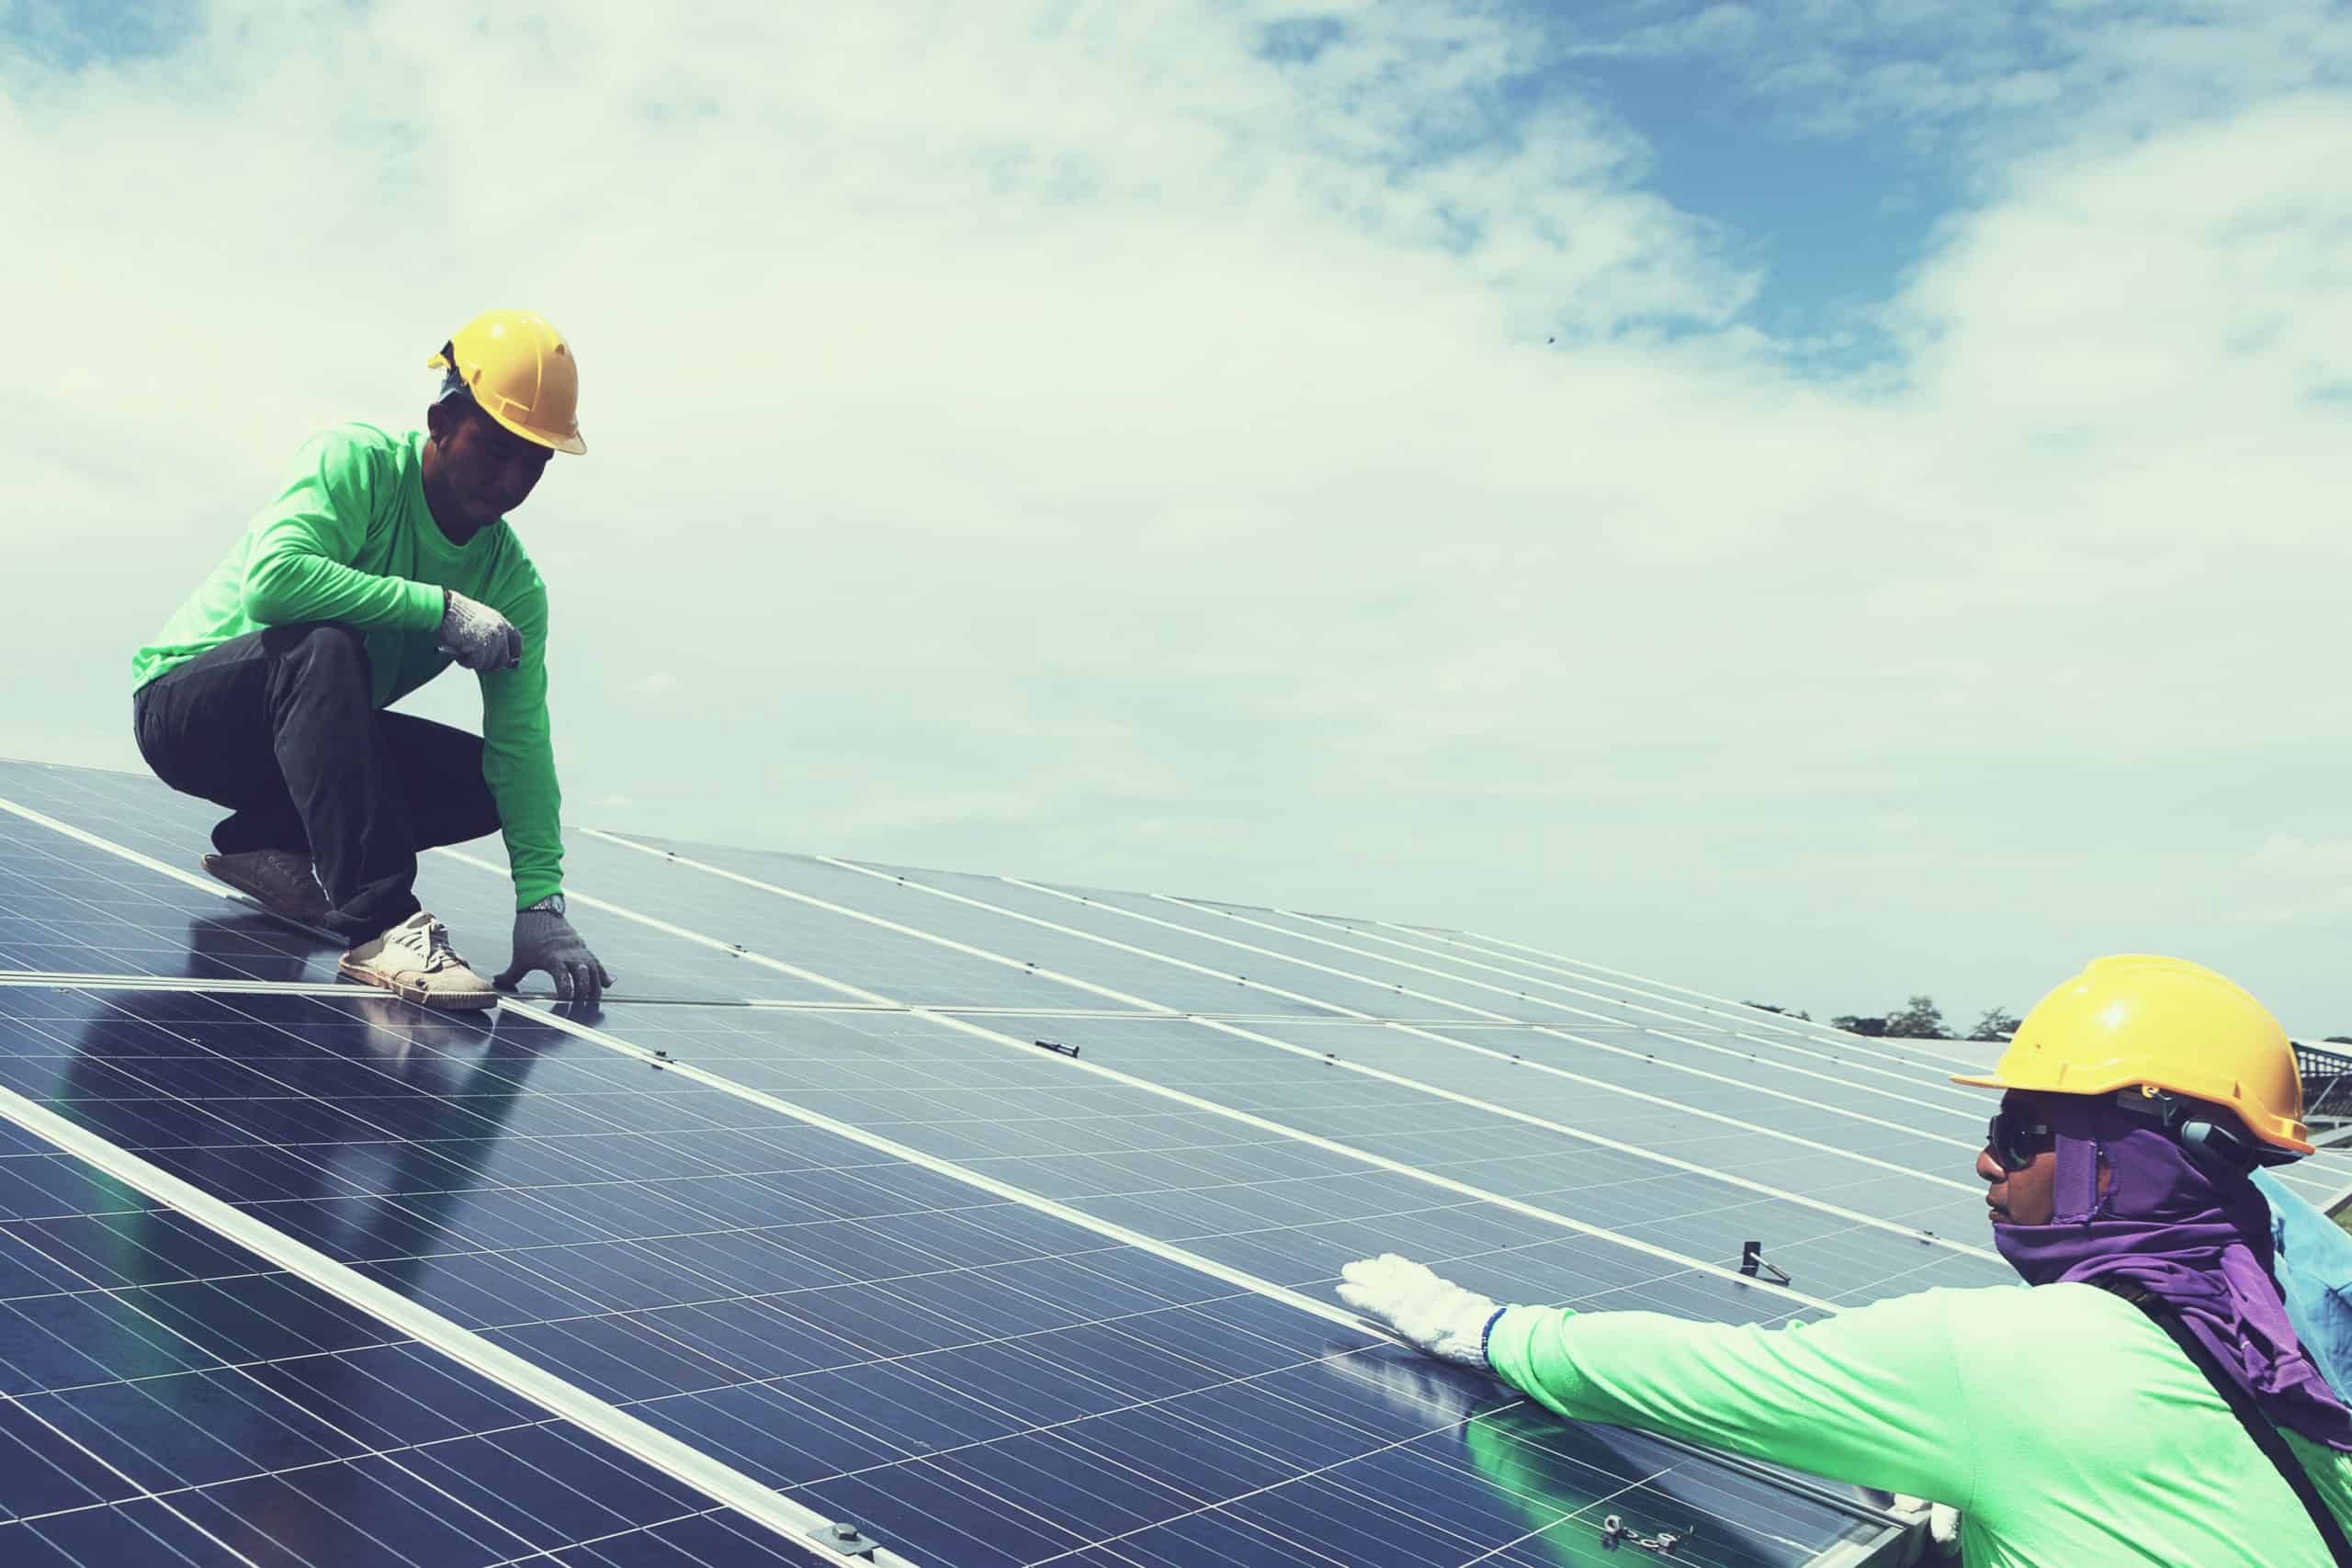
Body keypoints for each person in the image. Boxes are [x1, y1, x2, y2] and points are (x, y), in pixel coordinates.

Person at [1340, 955, 2352, 1565]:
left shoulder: (2003, 1357)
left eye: (2020, 1127)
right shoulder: (2276, 1340)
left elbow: (1710, 1378)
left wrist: (1487, 1332)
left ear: (2114, 1158)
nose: (1983, 1157)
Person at [130, 310, 614, 1010]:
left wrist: (541, 902)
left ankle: (272, 846)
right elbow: (274, 582)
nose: (510, 480)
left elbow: (522, 743)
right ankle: (382, 923)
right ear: (442, 422)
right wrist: (437, 608)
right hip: (188, 712)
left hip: (300, 752)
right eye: (494, 448)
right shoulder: (356, 463)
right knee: (325, 644)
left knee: (486, 778)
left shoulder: (514, 584)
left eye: (532, 462)